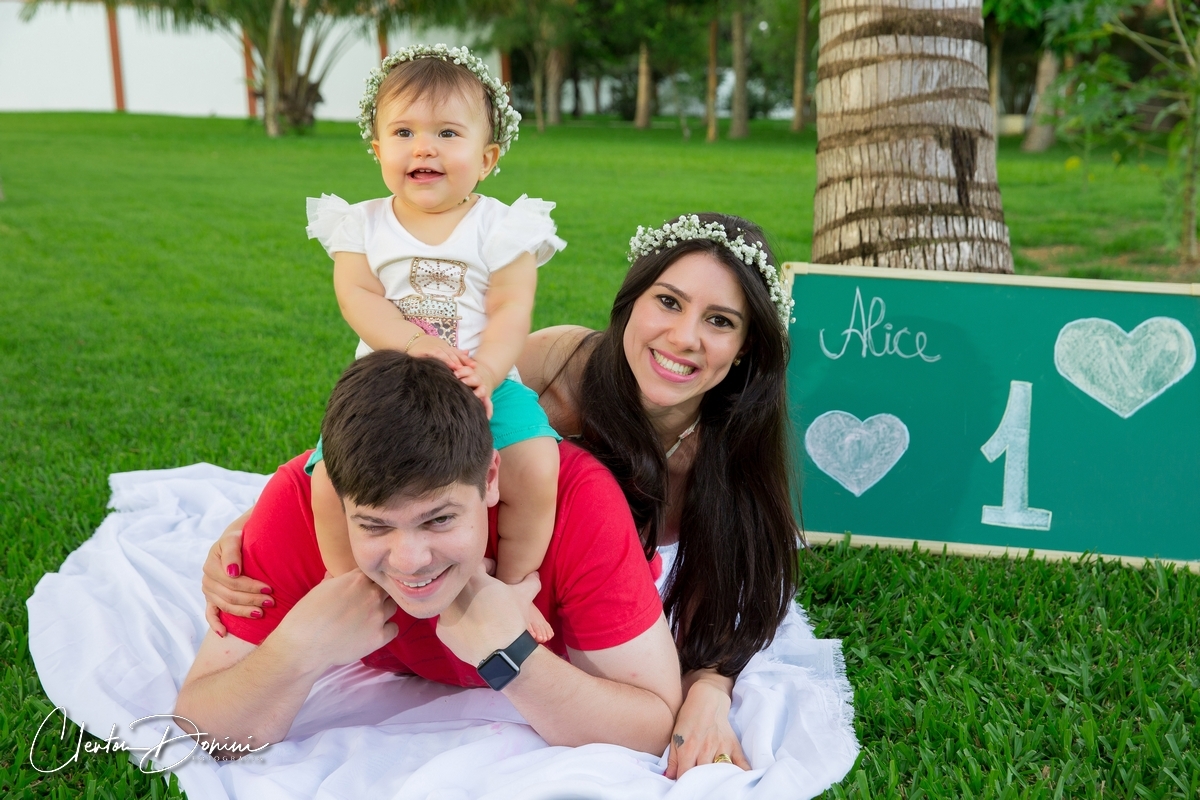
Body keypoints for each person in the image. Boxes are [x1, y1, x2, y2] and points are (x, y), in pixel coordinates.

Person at [203, 213, 802, 778]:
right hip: (518, 553)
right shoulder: (557, 365)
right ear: (631, 304)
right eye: (668, 302)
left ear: (746, 345)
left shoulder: (725, 455)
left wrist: (708, 689)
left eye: (720, 320)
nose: (684, 336)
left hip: (586, 590)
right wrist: (259, 520)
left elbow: (724, 591)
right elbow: (408, 423)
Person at [174, 351, 682, 754]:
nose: (410, 560)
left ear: (490, 478)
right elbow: (199, 726)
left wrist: (509, 655)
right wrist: (300, 649)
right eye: (374, 525)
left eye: (438, 519)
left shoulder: (578, 501)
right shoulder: (298, 505)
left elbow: (654, 724)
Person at [303, 44, 563, 642]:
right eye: (403, 132)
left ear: (487, 156)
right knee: (324, 479)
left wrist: (490, 371)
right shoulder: (361, 225)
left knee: (536, 464)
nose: (424, 147)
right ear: (377, 148)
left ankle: (518, 582)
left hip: (484, 377)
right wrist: (414, 344)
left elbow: (508, 308)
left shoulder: (503, 226)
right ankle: (351, 588)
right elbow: (359, 298)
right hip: (389, 387)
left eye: (448, 133)